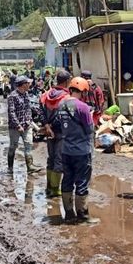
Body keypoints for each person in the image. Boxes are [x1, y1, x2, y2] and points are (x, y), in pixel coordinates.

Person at [54, 76, 97, 224]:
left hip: (66, 150)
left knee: (67, 180)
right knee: (82, 182)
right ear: (83, 91)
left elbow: (59, 125)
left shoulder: (61, 105)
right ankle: (83, 215)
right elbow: (89, 129)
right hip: (82, 151)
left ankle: (69, 214)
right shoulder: (83, 107)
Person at [41, 70, 72, 198]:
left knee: (51, 158)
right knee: (59, 160)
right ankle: (55, 189)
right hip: (60, 132)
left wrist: (47, 126)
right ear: (66, 81)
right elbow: (64, 116)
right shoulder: (66, 97)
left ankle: (48, 187)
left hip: (48, 131)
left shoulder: (47, 94)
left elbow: (41, 112)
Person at [7, 76, 42, 174]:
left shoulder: (26, 94)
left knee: (28, 145)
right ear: (23, 85)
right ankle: (10, 167)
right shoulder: (12, 96)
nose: (29, 85)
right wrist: (18, 125)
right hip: (15, 127)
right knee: (13, 146)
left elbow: (29, 107)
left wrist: (40, 111)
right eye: (28, 83)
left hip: (27, 125)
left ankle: (30, 167)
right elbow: (11, 112)